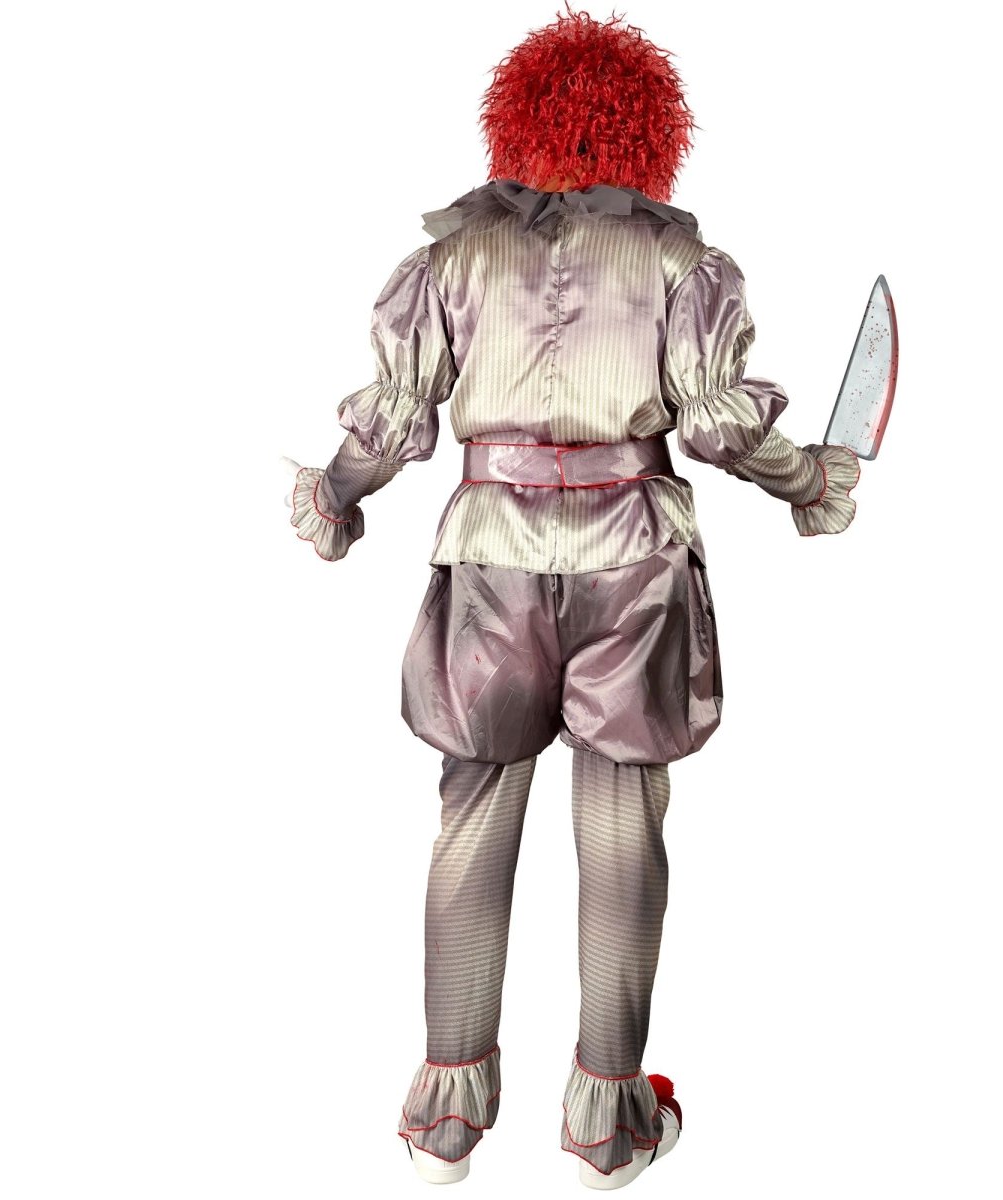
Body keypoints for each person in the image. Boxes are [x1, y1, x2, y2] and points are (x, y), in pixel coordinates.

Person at [283, 6, 860, 1189]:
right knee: (619, 823)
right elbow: (718, 427)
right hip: (632, 563)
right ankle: (608, 1125)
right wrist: (812, 482)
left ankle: (446, 1121)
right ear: (652, 131)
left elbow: (391, 420)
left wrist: (332, 500)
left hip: (490, 561)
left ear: (516, 122)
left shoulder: (453, 260)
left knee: (473, 816)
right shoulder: (683, 266)